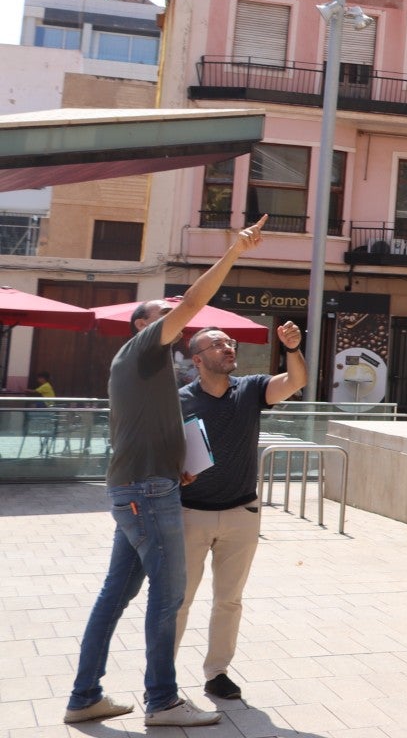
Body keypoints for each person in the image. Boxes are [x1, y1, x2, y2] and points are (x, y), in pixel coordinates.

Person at [64, 219, 266, 728]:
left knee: (116, 595)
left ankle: (84, 696)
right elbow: (195, 302)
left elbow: (147, 427)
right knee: (170, 595)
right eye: (163, 313)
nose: (174, 315)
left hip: (142, 485)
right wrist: (234, 252)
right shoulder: (143, 348)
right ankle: (163, 701)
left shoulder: (147, 367)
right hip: (147, 492)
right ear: (143, 326)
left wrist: (178, 464)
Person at [174, 318, 307, 702]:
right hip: (190, 514)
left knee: (229, 600)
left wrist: (293, 348)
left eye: (229, 342)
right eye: (217, 344)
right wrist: (174, 469)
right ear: (198, 360)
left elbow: (295, 381)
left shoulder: (250, 389)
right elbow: (161, 449)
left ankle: (217, 673)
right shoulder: (179, 400)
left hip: (241, 513)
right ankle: (163, 678)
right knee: (179, 601)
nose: (228, 347)